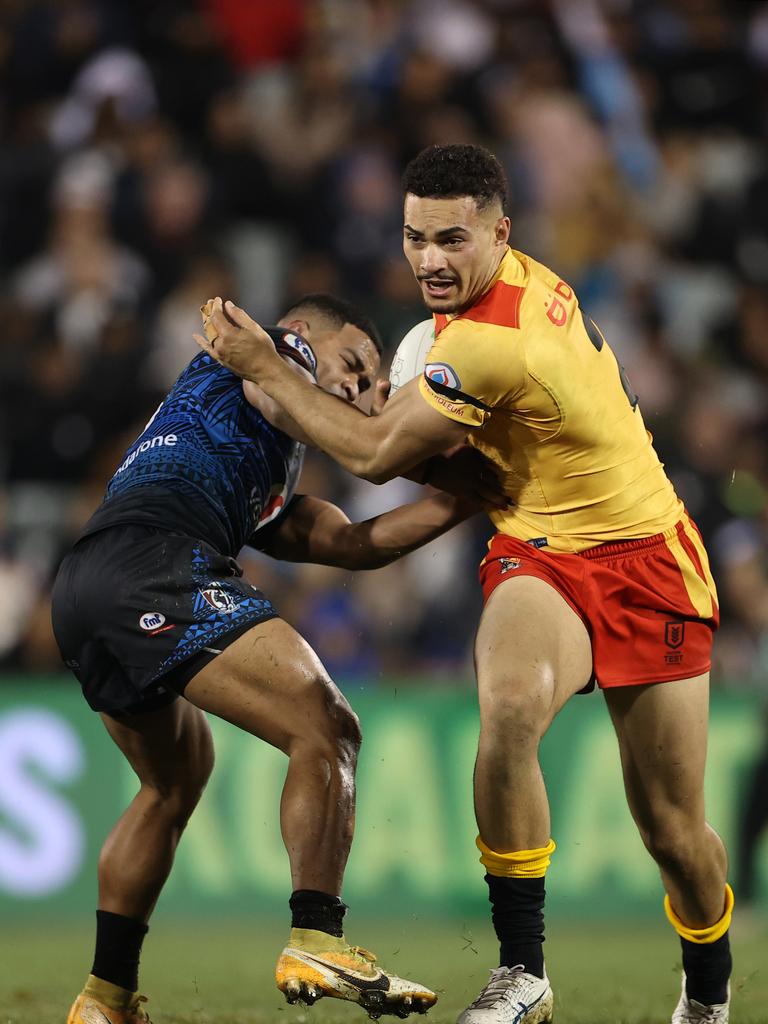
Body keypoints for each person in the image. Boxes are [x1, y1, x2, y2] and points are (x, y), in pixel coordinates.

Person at [197, 145, 734, 1024]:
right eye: (414, 238)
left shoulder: (491, 341)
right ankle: (524, 973)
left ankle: (708, 995)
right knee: (510, 707)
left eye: (452, 239)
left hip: (645, 562)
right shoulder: (486, 302)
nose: (429, 260)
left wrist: (262, 365)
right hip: (541, 547)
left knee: (674, 834)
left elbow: (373, 458)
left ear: (499, 233)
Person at [52, 291, 494, 1024]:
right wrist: (421, 435)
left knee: (174, 781)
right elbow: (277, 384)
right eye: (355, 362)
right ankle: (318, 934)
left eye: (374, 383)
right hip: (156, 564)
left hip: (87, 584)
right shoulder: (269, 361)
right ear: (300, 335)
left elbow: (351, 544)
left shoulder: (264, 467)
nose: (362, 388)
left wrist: (463, 502)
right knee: (328, 727)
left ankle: (104, 998)